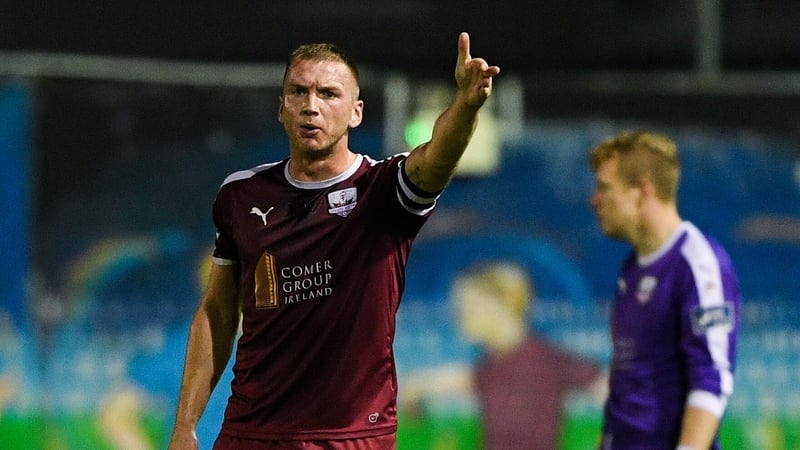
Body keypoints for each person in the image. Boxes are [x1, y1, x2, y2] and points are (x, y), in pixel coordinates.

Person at [168, 32, 500, 450]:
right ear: (282, 107)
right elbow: (217, 313)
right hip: (251, 432)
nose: (311, 106)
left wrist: (467, 105)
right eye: (298, 92)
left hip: (351, 437)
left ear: (355, 112)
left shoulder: (384, 191)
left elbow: (437, 156)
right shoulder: (240, 195)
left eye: (328, 94)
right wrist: (185, 426)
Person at [588, 131, 740, 450]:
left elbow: (712, 379)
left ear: (643, 191)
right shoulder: (633, 268)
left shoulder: (697, 263)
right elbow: (625, 384)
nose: (595, 200)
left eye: (604, 188)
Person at [402, 261, 606, 450]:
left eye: (470, 306)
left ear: (502, 305)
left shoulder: (545, 359)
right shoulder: (491, 364)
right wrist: (417, 388)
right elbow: (453, 380)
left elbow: (611, 391)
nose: (460, 316)